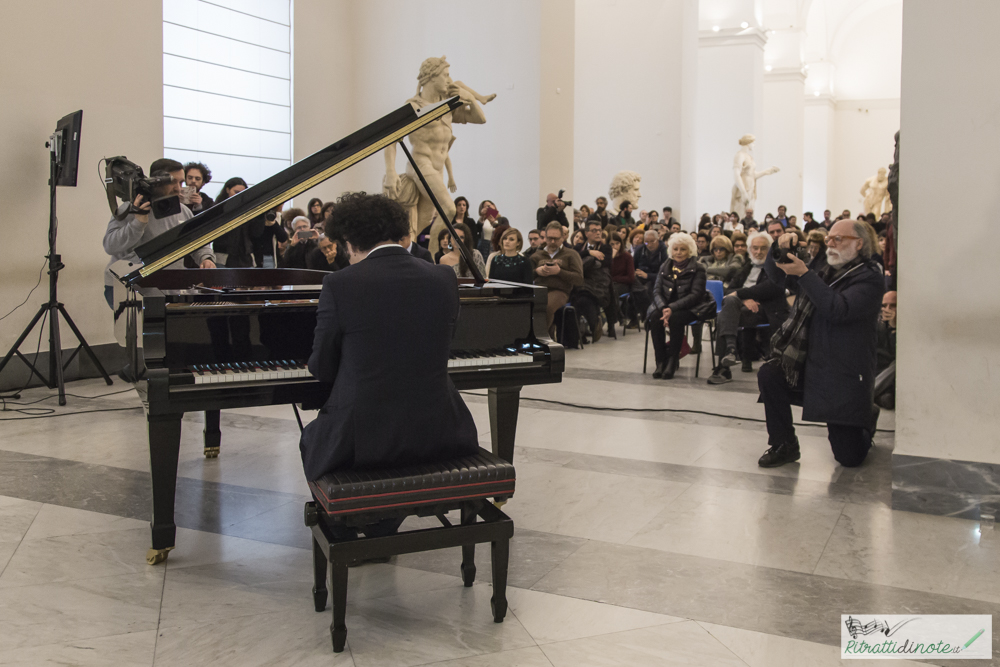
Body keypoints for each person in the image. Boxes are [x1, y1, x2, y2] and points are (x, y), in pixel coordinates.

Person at [300, 191, 479, 485]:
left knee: (311, 438)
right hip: (441, 431)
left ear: (348, 239)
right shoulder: (444, 278)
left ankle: (357, 521)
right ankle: (388, 513)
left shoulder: (340, 284)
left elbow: (322, 368)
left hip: (364, 442)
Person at [755, 220, 884, 468]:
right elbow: (778, 275)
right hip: (808, 360)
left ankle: (867, 417)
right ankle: (784, 444)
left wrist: (805, 274)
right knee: (770, 374)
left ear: (859, 243)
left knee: (849, 458)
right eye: (829, 239)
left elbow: (838, 310)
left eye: (838, 239)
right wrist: (779, 247)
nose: (831, 244)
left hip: (841, 371)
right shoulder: (824, 266)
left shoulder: (870, 277)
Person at [103, 158, 216, 308]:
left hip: (169, 285)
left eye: (181, 182)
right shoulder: (129, 209)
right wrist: (138, 222)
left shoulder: (183, 211)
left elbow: (197, 241)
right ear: (155, 182)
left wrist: (206, 258)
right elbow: (110, 246)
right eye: (172, 182)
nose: (178, 188)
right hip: (129, 288)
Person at [707, 232, 791, 383]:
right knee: (729, 305)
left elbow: (769, 289)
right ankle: (731, 350)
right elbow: (728, 290)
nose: (758, 252)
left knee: (725, 313)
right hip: (742, 308)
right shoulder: (748, 266)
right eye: (755, 248)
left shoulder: (777, 266)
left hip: (765, 310)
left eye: (763, 248)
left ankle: (724, 366)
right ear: (750, 249)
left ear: (770, 249)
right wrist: (743, 298)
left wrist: (740, 294)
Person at [648, 233, 707, 379]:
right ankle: (660, 361)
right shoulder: (665, 266)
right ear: (671, 250)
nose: (678, 253)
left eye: (683, 249)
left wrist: (672, 308)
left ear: (690, 251)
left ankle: (672, 361)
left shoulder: (698, 268)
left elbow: (696, 295)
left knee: (676, 319)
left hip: (690, 308)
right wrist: (663, 308)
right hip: (666, 307)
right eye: (675, 249)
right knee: (655, 317)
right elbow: (656, 291)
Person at [531, 221, 584, 337]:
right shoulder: (537, 255)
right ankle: (546, 336)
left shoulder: (571, 254)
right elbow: (525, 275)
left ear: (563, 238)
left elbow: (579, 279)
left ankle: (540, 337)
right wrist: (537, 272)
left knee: (546, 306)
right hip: (539, 289)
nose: (552, 242)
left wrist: (560, 272)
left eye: (556, 238)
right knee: (526, 306)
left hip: (560, 291)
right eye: (549, 238)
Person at [573, 219, 614, 341]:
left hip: (599, 283)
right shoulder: (579, 247)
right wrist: (589, 252)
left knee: (583, 298)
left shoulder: (606, 248)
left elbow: (604, 262)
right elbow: (574, 260)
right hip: (582, 282)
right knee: (579, 299)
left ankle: (592, 325)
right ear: (587, 233)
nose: (598, 233)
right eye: (594, 230)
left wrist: (586, 260)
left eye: (599, 230)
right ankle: (585, 330)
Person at [212, 177, 256, 267]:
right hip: (224, 256)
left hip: (245, 257)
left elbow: (256, 233)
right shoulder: (218, 209)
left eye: (243, 194)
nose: (239, 196)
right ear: (227, 190)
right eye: (236, 192)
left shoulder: (248, 210)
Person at [630, 230, 667, 326]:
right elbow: (633, 266)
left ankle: (648, 317)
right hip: (640, 277)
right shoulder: (640, 249)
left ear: (658, 239)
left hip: (657, 278)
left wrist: (648, 276)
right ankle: (636, 318)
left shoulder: (664, 251)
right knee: (632, 289)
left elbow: (665, 273)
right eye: (646, 242)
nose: (649, 244)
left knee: (648, 290)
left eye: (652, 241)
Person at [875, 290, 897, 409]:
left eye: (893, 305)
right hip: (877, 371)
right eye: (884, 305)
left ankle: (871, 394)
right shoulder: (877, 324)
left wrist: (894, 328)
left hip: (891, 374)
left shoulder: (907, 325)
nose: (888, 309)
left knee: (899, 363)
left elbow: (898, 354)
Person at [251, 204, 289, 268]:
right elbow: (255, 234)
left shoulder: (278, 216)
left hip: (272, 256)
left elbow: (283, 238)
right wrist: (262, 222)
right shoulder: (256, 216)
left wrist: (274, 224)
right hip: (256, 255)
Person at [610, 234, 635, 324]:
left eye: (617, 243)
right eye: (612, 244)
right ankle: (618, 314)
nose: (615, 246)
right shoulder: (607, 256)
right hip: (609, 283)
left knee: (613, 291)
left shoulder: (627, 256)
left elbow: (631, 278)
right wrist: (611, 258)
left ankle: (616, 316)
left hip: (624, 284)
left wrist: (615, 279)